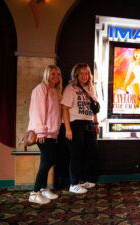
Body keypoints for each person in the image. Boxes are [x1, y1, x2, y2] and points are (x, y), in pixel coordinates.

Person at [61, 63, 100, 194]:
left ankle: (85, 179)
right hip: (75, 123)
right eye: (82, 73)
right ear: (76, 74)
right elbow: (65, 108)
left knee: (91, 152)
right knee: (76, 154)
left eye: (87, 73)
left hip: (89, 123)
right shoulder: (70, 88)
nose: (84, 76)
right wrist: (67, 129)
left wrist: (96, 123)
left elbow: (94, 108)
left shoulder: (91, 88)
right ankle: (74, 183)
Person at [27, 65, 62, 204]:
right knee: (47, 162)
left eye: (58, 74)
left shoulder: (55, 90)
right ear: (47, 75)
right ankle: (34, 193)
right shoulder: (40, 89)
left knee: (48, 161)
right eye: (53, 74)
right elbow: (37, 111)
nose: (56, 77)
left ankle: (43, 188)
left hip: (52, 133)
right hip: (43, 133)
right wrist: (41, 131)